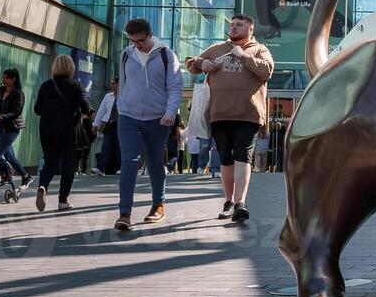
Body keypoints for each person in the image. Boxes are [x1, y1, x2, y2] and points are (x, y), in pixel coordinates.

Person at [186, 14, 273, 223]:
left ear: (250, 29)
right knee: (225, 157)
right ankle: (228, 201)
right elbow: (190, 64)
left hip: (248, 114)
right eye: (232, 25)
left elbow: (267, 71)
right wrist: (202, 63)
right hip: (219, 113)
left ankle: (240, 202)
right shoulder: (217, 48)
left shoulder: (260, 49)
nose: (233, 28)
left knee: (243, 155)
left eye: (239, 25)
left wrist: (243, 56)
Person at [114, 18, 183, 232]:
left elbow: (175, 86)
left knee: (154, 161)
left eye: (140, 40)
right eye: (132, 41)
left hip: (158, 119)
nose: (137, 44)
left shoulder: (166, 55)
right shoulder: (126, 54)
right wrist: (120, 105)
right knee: (129, 161)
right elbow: (123, 83)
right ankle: (124, 213)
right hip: (128, 116)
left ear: (149, 34)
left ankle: (158, 205)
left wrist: (170, 112)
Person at [32, 54, 91, 212]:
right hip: (69, 131)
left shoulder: (46, 85)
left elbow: (37, 110)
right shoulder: (76, 85)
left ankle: (43, 185)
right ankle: (63, 200)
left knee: (50, 162)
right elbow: (86, 108)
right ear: (72, 68)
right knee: (68, 166)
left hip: (47, 130)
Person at [0, 68, 30, 187]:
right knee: (9, 156)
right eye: (2, 77)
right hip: (0, 129)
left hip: (12, 129)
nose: (2, 80)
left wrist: (0, 118)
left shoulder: (18, 93)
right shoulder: (1, 93)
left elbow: (16, 112)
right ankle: (26, 176)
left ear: (13, 79)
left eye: (5, 78)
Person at [91, 77, 119, 175]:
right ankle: (100, 167)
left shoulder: (125, 96)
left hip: (120, 123)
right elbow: (101, 110)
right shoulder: (108, 96)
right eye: (111, 83)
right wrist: (95, 125)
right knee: (106, 145)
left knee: (119, 146)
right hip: (109, 124)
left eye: (114, 84)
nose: (111, 85)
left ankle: (120, 167)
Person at [186, 77, 213, 174]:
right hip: (204, 123)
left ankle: (216, 168)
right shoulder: (201, 88)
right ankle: (202, 166)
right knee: (205, 146)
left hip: (216, 121)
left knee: (216, 147)